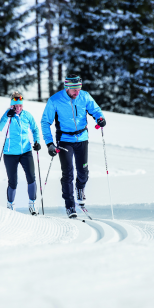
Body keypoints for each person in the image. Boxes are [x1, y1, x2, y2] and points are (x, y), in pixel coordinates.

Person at [40, 74, 106, 219]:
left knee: (83, 171)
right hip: (64, 139)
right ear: (67, 87)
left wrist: (100, 118)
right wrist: (50, 143)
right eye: (74, 89)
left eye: (79, 88)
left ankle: (80, 188)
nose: (77, 92)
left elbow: (96, 110)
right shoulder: (55, 100)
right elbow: (45, 122)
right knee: (68, 173)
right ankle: (70, 205)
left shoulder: (85, 96)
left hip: (82, 137)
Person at [0, 92, 41, 215]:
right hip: (10, 153)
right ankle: (10, 205)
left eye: (20, 105)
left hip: (26, 151)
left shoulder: (27, 115)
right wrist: (7, 115)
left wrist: (36, 142)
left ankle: (32, 204)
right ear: (11, 105)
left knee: (31, 177)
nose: (18, 108)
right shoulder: (8, 115)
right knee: (13, 181)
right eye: (15, 106)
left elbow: (35, 129)